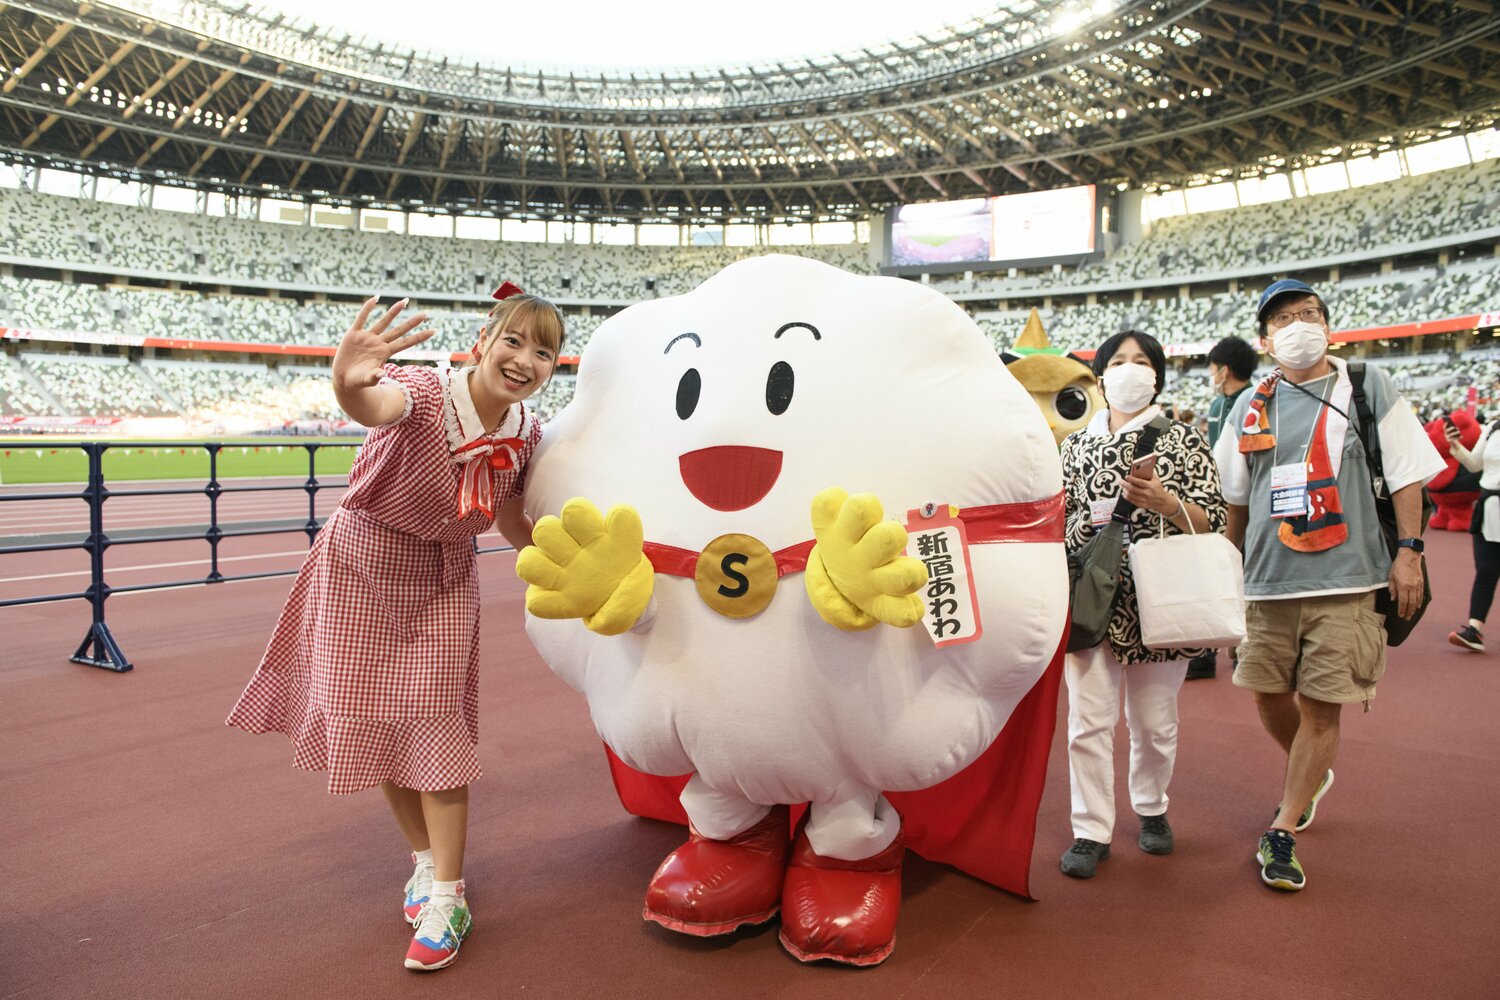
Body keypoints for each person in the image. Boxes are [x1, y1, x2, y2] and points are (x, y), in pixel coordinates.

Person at [226, 288, 562, 969]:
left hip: (442, 577)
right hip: (362, 563)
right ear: (482, 341)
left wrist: (556, 567)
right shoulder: (426, 392)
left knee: (433, 721)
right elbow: (375, 404)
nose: (525, 359)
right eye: (514, 340)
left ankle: (448, 895)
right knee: (372, 719)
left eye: (544, 350)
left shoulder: (526, 432)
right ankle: (422, 858)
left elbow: (506, 519)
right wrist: (347, 382)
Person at [1214, 278, 1443, 893]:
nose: (1298, 325)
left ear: (1328, 324)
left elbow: (1407, 477)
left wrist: (1410, 554)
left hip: (1347, 578)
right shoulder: (1249, 404)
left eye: (1308, 313)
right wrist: (1226, 569)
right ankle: (1311, 775)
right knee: (1265, 694)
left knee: (1321, 705)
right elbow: (1235, 498)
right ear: (1267, 339)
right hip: (1266, 580)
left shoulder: (1367, 387)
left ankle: (1284, 825)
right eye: (1283, 319)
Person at [1058, 330, 1226, 879]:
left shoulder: (1182, 440)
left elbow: (1217, 522)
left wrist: (1169, 504)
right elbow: (1057, 523)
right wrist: (1086, 526)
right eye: (1120, 361)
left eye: (1142, 361)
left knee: (1154, 723)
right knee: (1088, 721)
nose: (1131, 370)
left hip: (1161, 600)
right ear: (1101, 375)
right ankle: (1090, 828)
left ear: (1157, 373)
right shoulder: (1075, 446)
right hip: (1092, 599)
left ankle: (1152, 807)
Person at [1188, 336, 1260, 680]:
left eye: (1213, 368)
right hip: (1218, 499)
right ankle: (1221, 647)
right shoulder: (1219, 405)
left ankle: (1227, 647)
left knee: (1233, 574)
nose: (1211, 374)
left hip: (1240, 504)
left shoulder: (1253, 403)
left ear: (1224, 370)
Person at [1445, 415, 1500, 651]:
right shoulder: (1492, 427)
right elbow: (1475, 464)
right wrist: (1455, 445)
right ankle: (1473, 629)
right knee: (1486, 570)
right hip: (1490, 508)